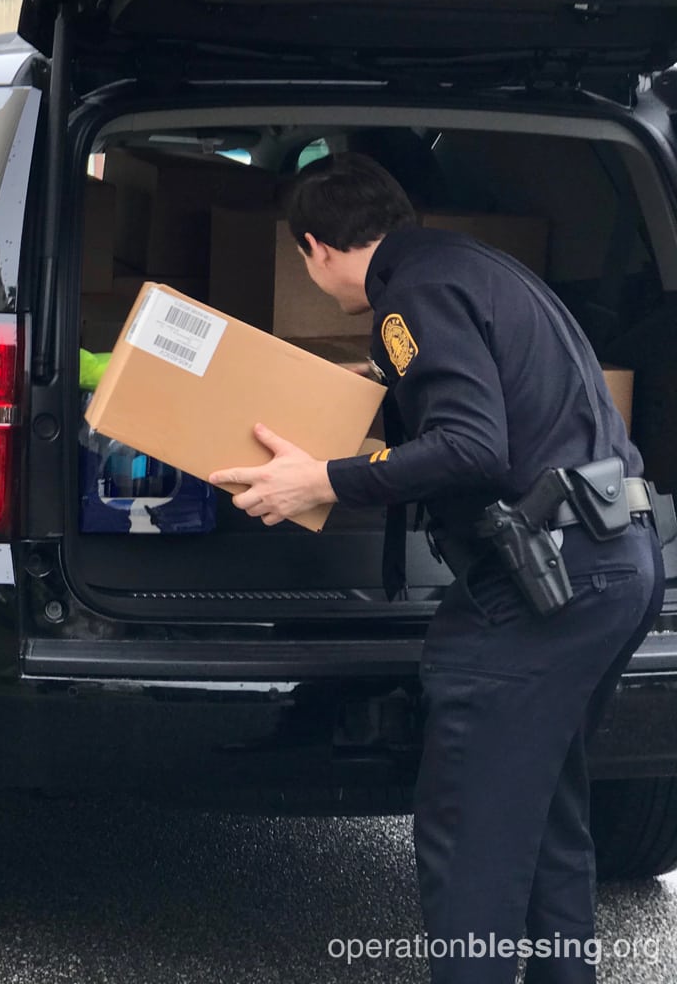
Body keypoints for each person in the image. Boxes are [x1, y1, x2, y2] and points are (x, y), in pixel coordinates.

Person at [208, 153, 665, 983]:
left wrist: (322, 479)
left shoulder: (406, 298)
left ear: (314, 247)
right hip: (614, 559)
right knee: (549, 819)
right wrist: (375, 398)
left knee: (473, 835)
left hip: (546, 586)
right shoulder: (471, 268)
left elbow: (471, 447)